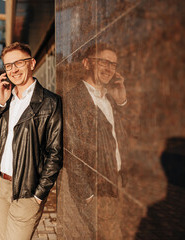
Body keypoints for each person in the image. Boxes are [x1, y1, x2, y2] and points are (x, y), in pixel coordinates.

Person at [0, 42, 63, 240]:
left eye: (18, 63)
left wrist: (39, 194)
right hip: (1, 187)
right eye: (8, 66)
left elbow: (55, 152)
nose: (13, 69)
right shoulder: (5, 100)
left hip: (28, 191)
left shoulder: (50, 102)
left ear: (31, 63)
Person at [64, 43, 128, 239]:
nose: (109, 69)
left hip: (116, 181)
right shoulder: (73, 100)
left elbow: (129, 136)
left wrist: (122, 101)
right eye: (104, 62)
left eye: (113, 65)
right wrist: (87, 195)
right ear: (86, 63)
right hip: (97, 189)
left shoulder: (109, 98)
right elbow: (70, 152)